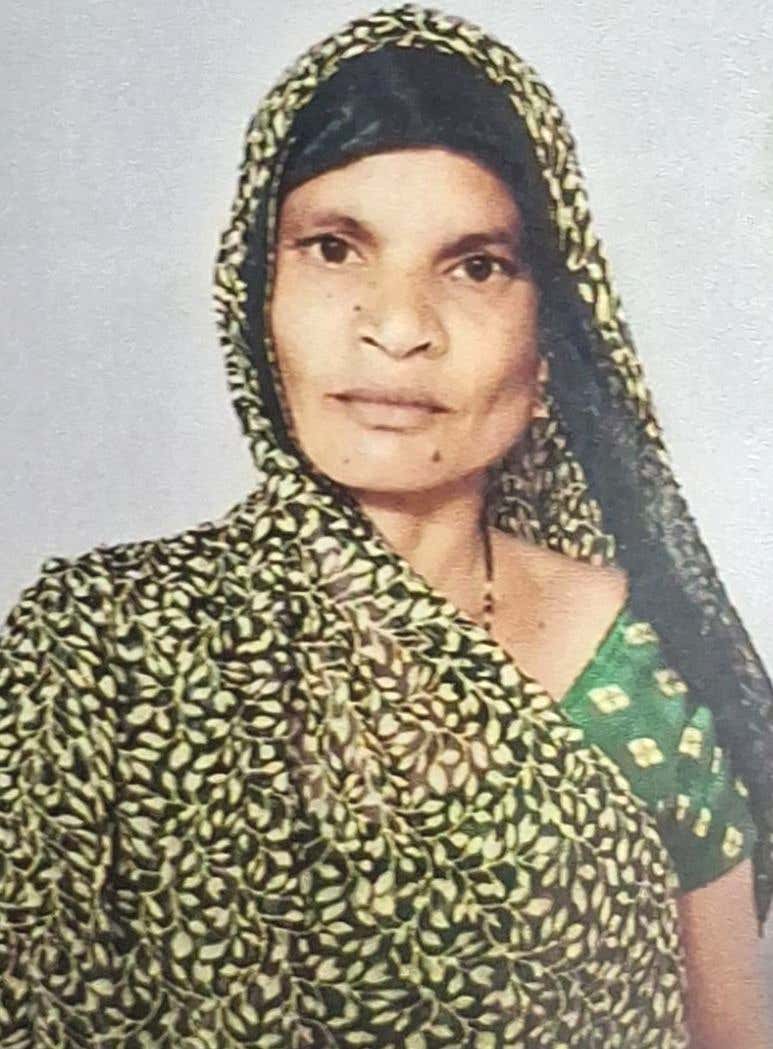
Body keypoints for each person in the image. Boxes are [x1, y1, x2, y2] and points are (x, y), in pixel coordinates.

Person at [1, 4, 771, 1046]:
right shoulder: (97, 649)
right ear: (254, 297)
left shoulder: (635, 664)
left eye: (475, 266)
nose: (399, 326)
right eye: (334, 249)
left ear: (548, 338)